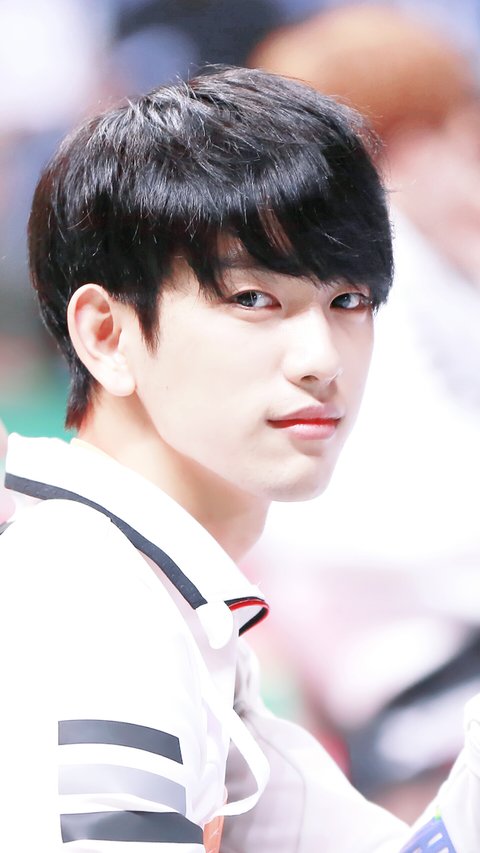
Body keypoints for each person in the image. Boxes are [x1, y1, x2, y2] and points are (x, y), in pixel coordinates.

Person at [0, 65, 476, 852]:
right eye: (254, 299)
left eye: (348, 300)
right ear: (107, 335)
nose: (320, 358)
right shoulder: (91, 593)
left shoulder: (165, 596)